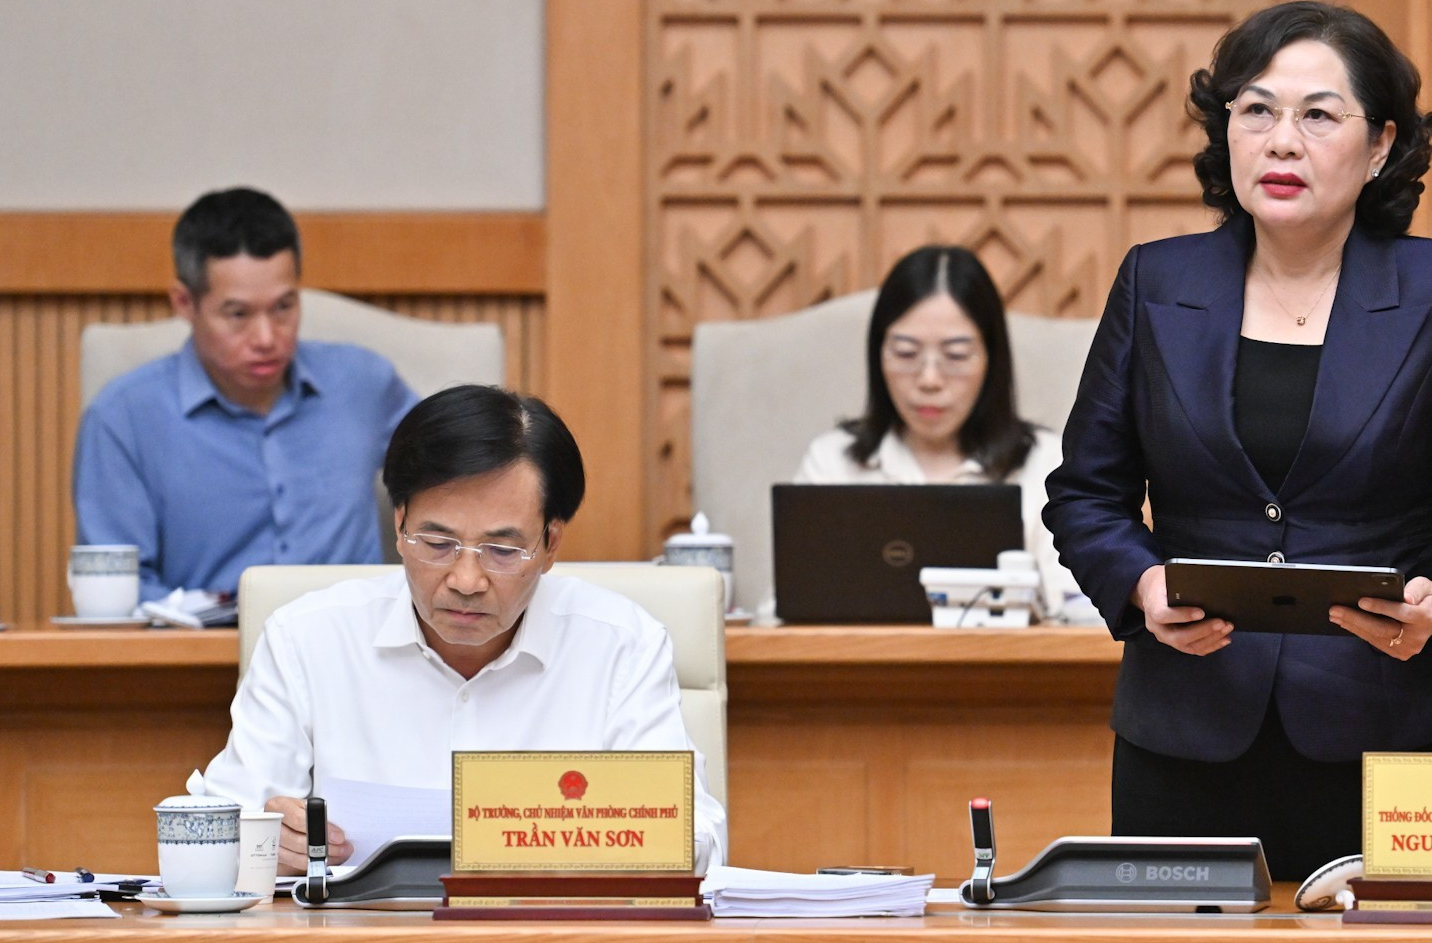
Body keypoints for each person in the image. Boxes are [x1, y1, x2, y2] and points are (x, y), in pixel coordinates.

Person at [1043, 1, 1432, 879]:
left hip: (1389, 723)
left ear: (1381, 145)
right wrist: (1143, 583)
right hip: (1186, 732)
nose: (1282, 142)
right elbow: (1086, 494)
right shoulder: (1156, 283)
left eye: (1319, 115)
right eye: (1257, 110)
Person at [203, 385, 727, 873]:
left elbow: (698, 840)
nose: (466, 580)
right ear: (400, 525)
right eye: (437, 544)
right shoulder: (307, 639)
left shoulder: (622, 646)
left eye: (502, 551)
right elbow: (217, 833)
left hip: (550, 936)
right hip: (359, 936)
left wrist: (589, 835)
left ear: (551, 544)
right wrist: (268, 843)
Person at [73, 188, 416, 601]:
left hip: (353, 635)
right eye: (238, 314)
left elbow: (461, 471)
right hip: (205, 639)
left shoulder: (364, 384)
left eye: (283, 307)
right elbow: (119, 594)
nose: (267, 338)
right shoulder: (123, 418)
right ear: (185, 303)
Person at [793, 245, 1083, 616]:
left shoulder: (1047, 463)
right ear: (878, 354)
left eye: (956, 355)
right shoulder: (833, 463)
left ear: (992, 358)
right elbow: (785, 610)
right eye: (906, 353)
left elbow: (1080, 613)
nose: (929, 379)